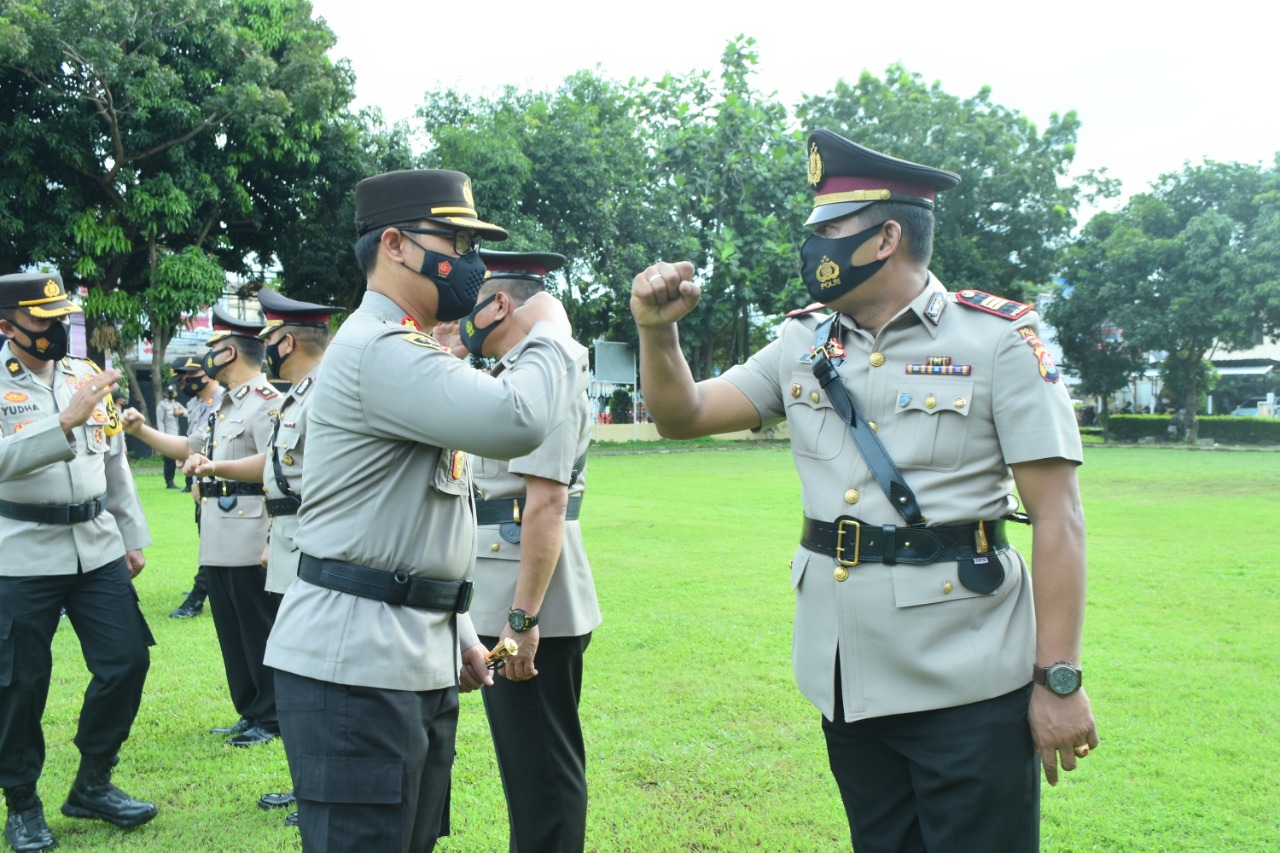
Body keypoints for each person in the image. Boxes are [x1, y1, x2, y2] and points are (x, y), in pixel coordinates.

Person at [629, 130, 1099, 852]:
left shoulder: (997, 341)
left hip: (966, 681)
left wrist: (1058, 680)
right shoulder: (802, 343)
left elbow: (1059, 519)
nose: (811, 245)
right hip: (847, 676)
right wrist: (657, 335)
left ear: (885, 237)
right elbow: (682, 415)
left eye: (827, 230)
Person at [263, 169, 590, 852]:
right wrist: (551, 327)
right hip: (355, 666)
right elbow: (518, 416)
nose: (470, 264)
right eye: (457, 241)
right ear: (395, 244)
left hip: (410, 652)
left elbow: (415, 528)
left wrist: (461, 632)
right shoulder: (380, 348)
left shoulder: (406, 347)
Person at [443, 249, 601, 852]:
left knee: (543, 771)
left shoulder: (549, 372)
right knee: (527, 767)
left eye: (470, 307)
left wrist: (522, 620)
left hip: (532, 604)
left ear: (499, 304)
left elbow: (545, 506)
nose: (462, 319)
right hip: (510, 593)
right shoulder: (515, 374)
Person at [0, 272, 157, 853]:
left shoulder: (85, 375)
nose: (57, 331)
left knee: (127, 662)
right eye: (43, 321)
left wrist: (130, 534)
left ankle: (93, 783)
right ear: (7, 325)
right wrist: (61, 422)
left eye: (62, 318)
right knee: (19, 684)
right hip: (18, 550)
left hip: (95, 544)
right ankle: (22, 803)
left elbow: (114, 459)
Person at [181, 287, 335, 828]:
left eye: (269, 338)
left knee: (314, 677)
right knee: (299, 673)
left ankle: (320, 789)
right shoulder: (302, 394)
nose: (264, 347)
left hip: (311, 545)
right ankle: (309, 785)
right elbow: (277, 469)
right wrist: (215, 470)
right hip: (293, 542)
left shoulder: (324, 395)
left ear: (286, 339)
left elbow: (319, 484)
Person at [123, 308, 281, 748]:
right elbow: (191, 448)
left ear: (230, 352)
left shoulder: (265, 401)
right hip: (218, 531)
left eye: (212, 351)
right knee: (231, 632)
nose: (205, 360)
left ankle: (270, 717)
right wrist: (143, 431)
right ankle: (248, 710)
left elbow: (278, 467)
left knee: (257, 628)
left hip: (251, 531)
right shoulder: (224, 404)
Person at [166, 354, 223, 619]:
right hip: (201, 483)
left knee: (214, 546)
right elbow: (195, 443)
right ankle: (212, 586)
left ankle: (197, 598)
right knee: (207, 542)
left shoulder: (226, 400)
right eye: (180, 378)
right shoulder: (194, 403)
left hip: (224, 484)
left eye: (187, 377)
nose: (183, 383)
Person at [155, 385, 186, 489]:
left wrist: (180, 412)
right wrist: (161, 437)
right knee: (169, 460)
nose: (171, 394)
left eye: (172, 392)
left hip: (176, 436)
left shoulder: (177, 405)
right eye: (169, 392)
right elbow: (160, 421)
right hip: (167, 436)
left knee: (175, 459)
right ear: (165, 393)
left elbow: (187, 413)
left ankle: (172, 481)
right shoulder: (162, 405)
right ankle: (169, 482)